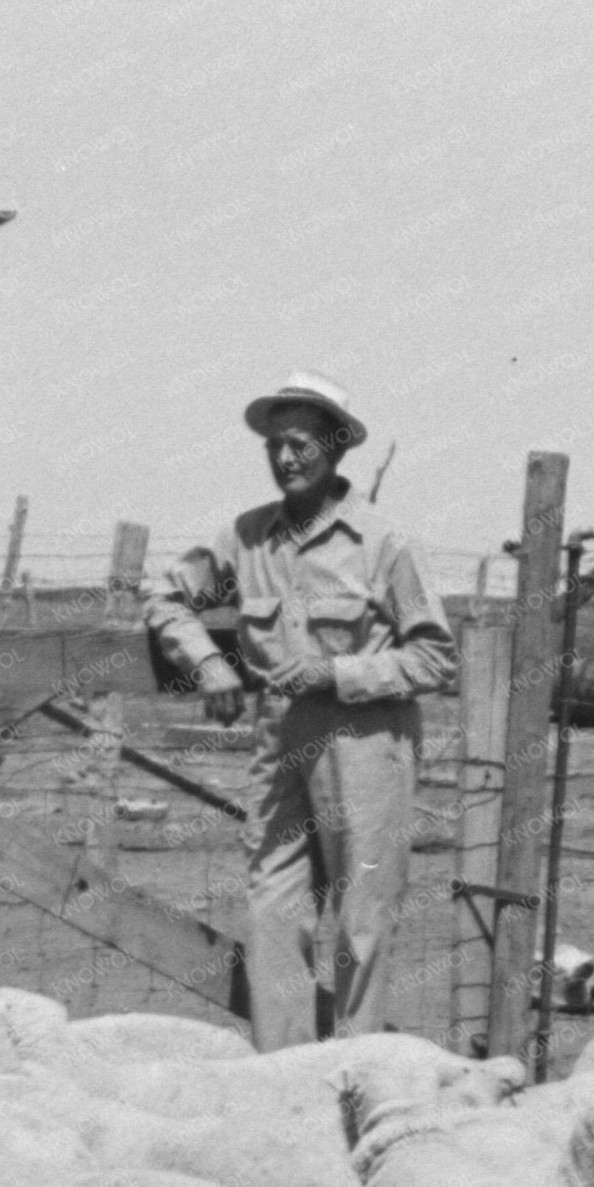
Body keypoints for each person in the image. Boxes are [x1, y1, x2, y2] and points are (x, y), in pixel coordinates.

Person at [142, 372, 458, 1046]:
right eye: (273, 447)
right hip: (278, 739)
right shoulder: (244, 537)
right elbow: (166, 598)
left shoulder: (383, 543)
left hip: (366, 742)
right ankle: (281, 1073)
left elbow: (434, 658)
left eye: (299, 446)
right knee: (272, 907)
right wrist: (207, 662)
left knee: (360, 917)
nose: (285, 461)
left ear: (335, 449)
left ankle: (354, 1069)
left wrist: (334, 670)